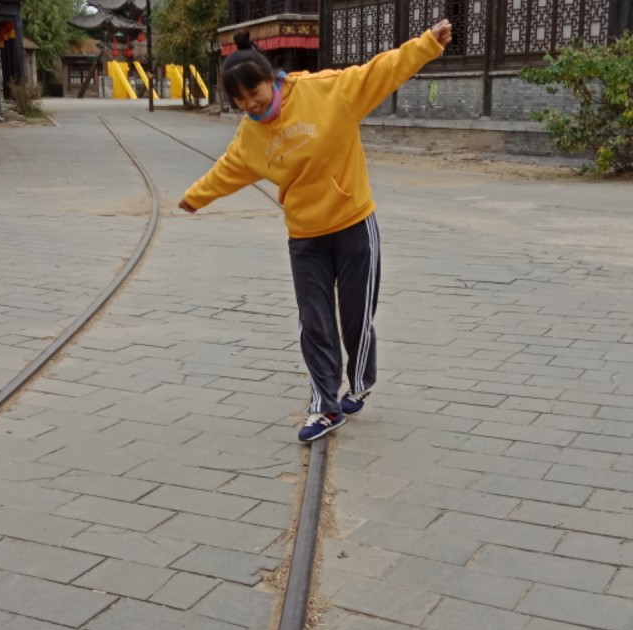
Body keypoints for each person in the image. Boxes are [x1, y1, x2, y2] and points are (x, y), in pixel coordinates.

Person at [179, 21, 453, 442]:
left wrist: (427, 44)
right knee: (314, 321)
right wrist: (195, 197)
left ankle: (360, 382)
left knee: (356, 318)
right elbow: (229, 169)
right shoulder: (251, 136)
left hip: (353, 223)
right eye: (239, 101)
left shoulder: (328, 90)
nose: (250, 104)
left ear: (271, 79)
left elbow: (381, 71)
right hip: (305, 237)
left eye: (254, 92)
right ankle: (324, 406)